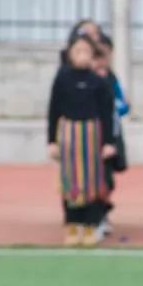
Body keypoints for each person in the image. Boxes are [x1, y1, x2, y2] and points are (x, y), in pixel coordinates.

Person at [47, 29, 115, 247]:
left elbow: (107, 114)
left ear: (93, 55)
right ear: (70, 53)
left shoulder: (99, 82)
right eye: (78, 51)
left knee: (92, 182)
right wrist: (51, 141)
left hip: (92, 135)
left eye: (86, 51)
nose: (82, 55)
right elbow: (53, 110)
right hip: (69, 134)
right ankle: (72, 225)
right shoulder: (62, 78)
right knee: (70, 181)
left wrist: (109, 142)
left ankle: (90, 225)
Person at [91, 34, 128, 238]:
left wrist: (116, 105)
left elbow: (123, 106)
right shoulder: (85, 79)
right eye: (96, 56)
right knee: (91, 180)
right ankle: (92, 219)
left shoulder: (111, 79)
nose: (101, 61)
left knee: (107, 180)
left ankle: (102, 215)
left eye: (104, 55)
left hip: (109, 136)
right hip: (89, 138)